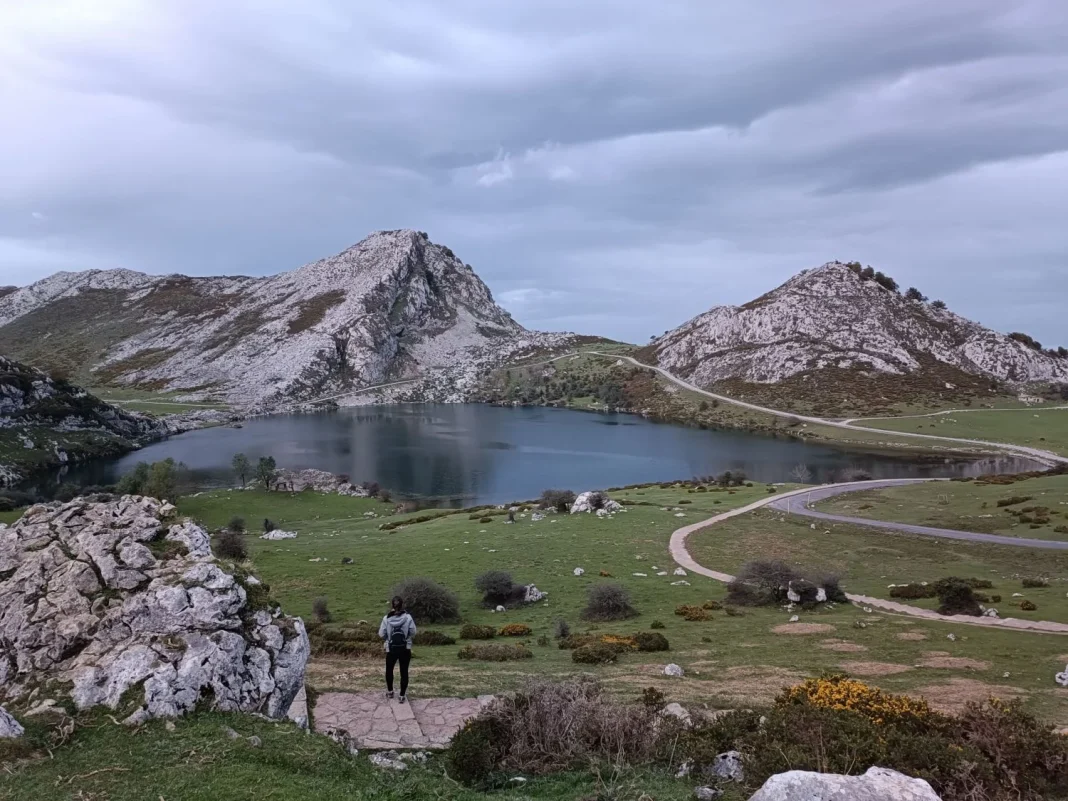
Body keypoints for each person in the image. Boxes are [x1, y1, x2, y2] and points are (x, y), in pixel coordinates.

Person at [378, 595, 416, 702]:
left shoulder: (386, 618)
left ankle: (390, 691)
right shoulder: (408, 618)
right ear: (402, 604)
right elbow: (413, 632)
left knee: (389, 670)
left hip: (391, 648)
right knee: (404, 671)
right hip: (405, 648)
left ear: (392, 605)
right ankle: (402, 695)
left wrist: (388, 639)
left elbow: (381, 634)